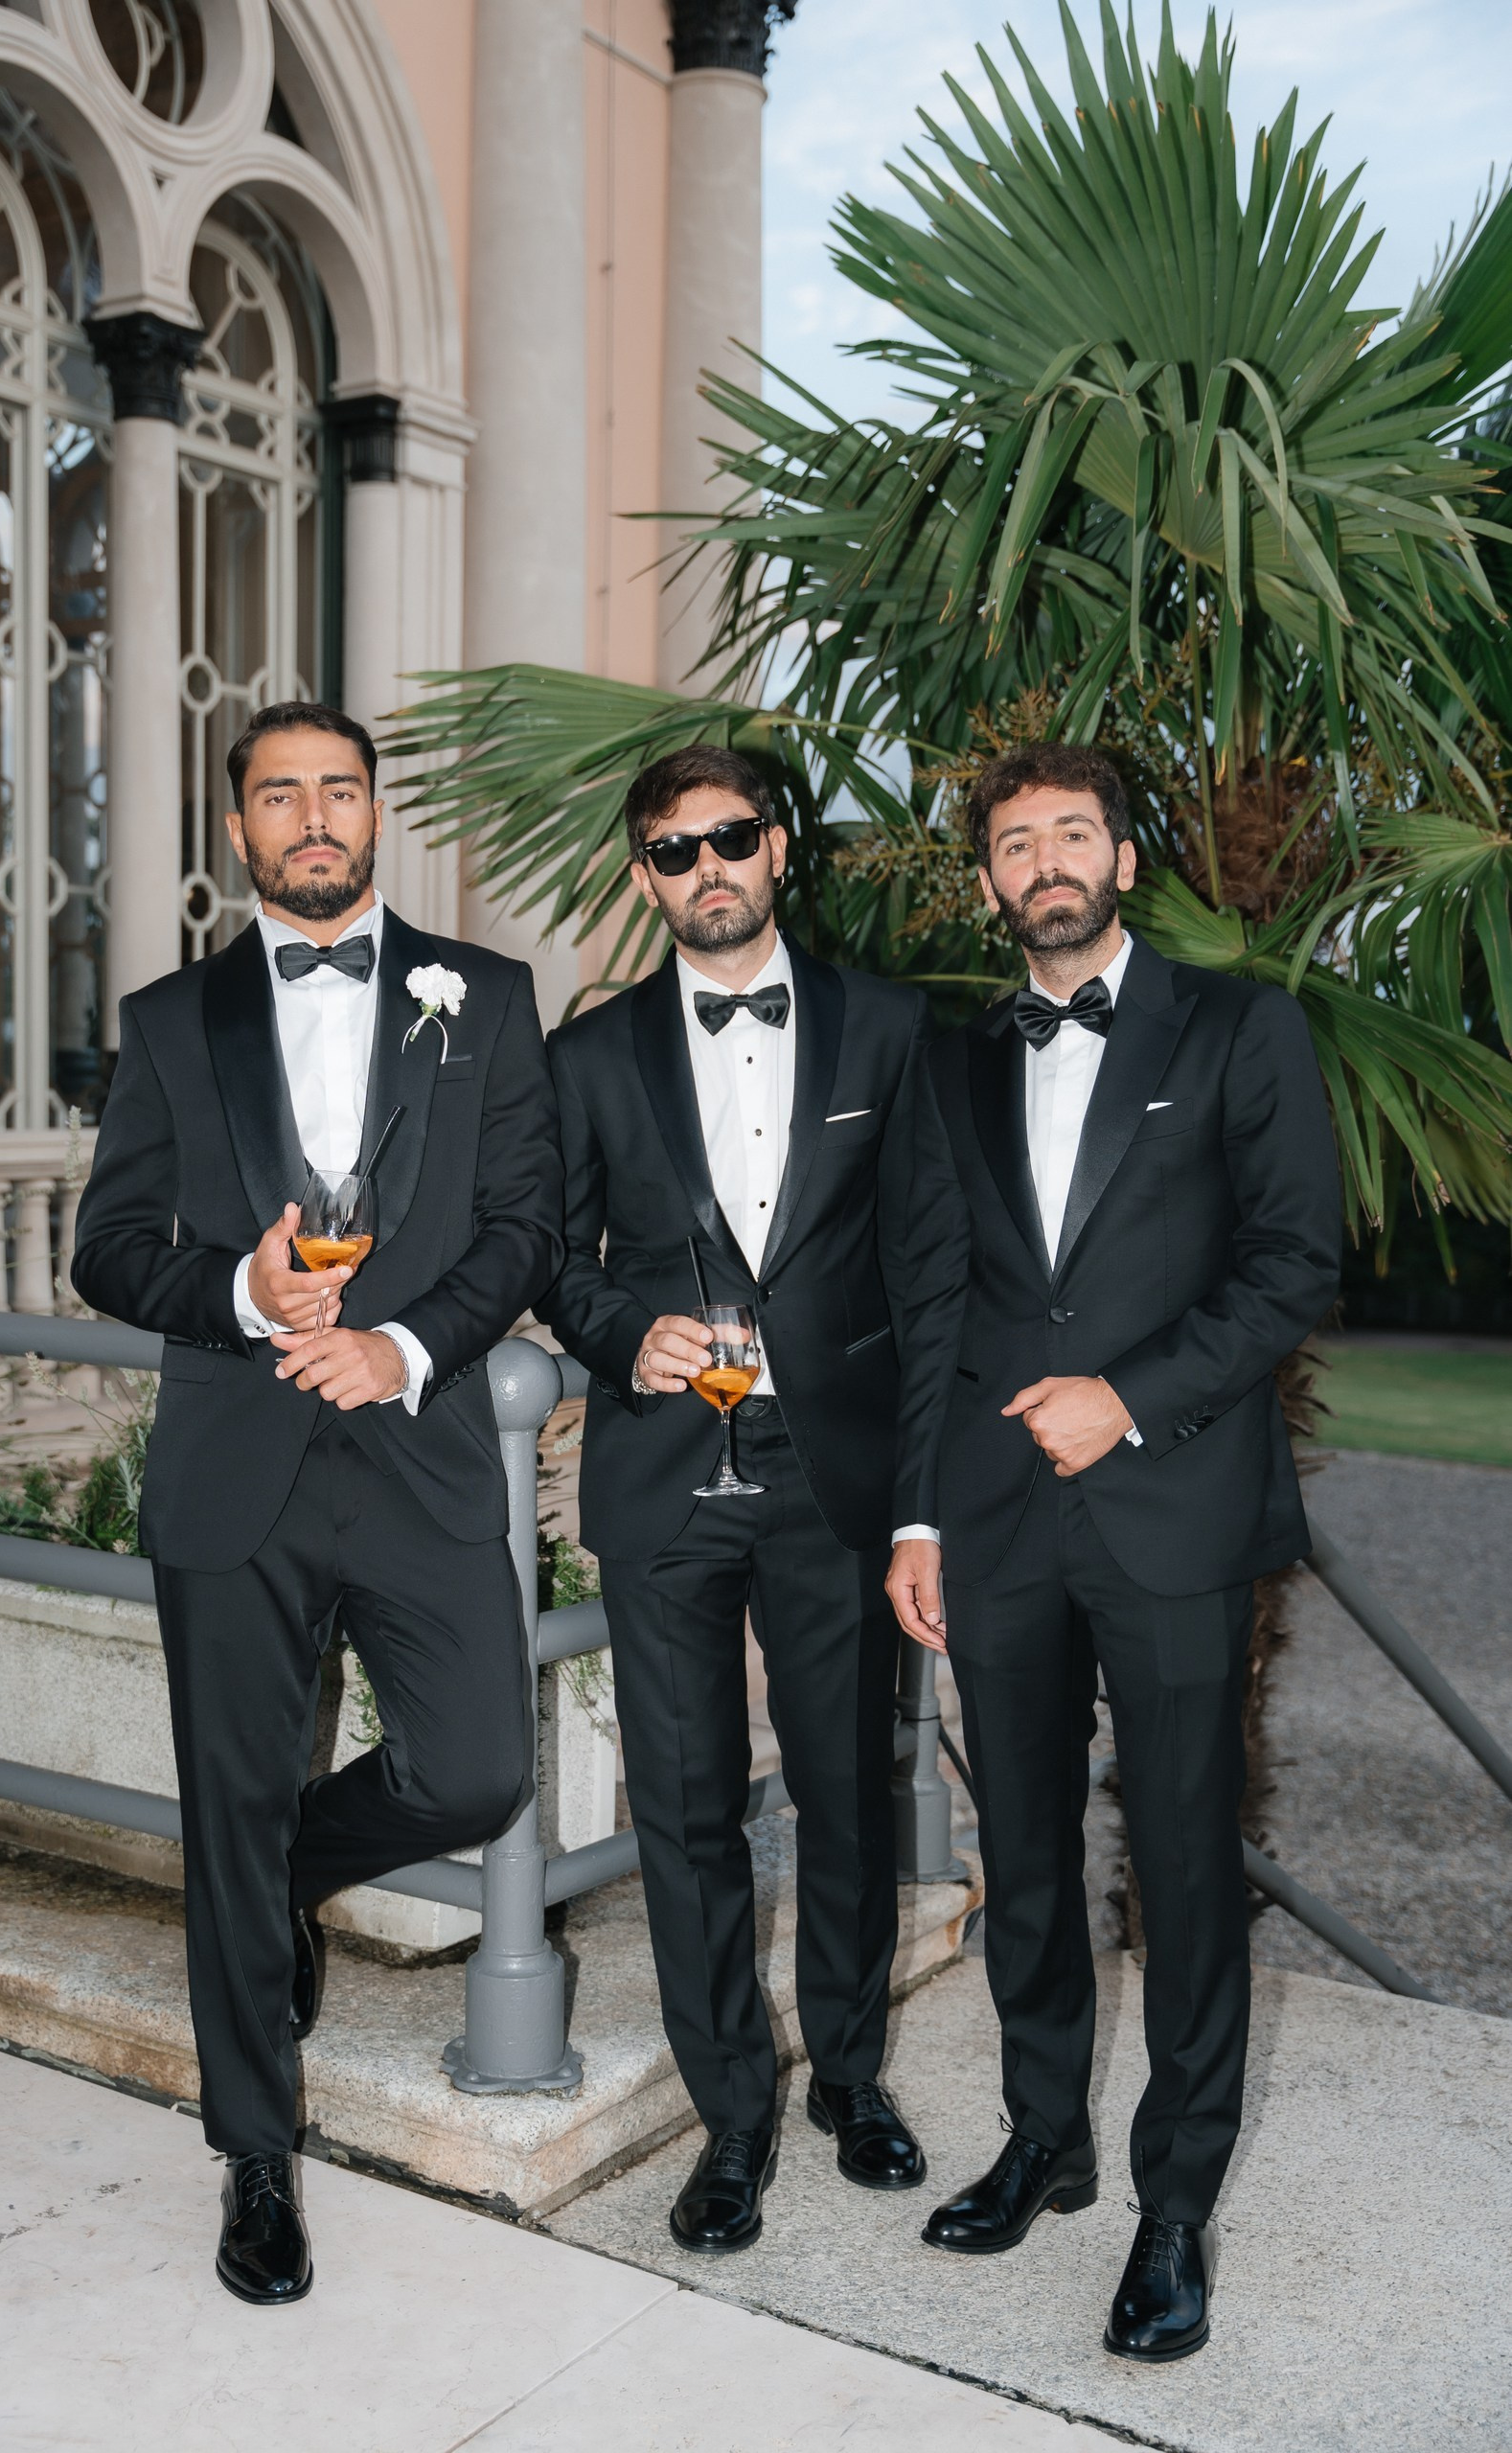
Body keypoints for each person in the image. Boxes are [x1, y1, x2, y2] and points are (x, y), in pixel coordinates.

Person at [71, 699, 561, 2305]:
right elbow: (108, 1249)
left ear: (373, 811)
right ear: (241, 831)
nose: (313, 817)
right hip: (237, 1468)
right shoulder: (168, 1019)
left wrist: (401, 1348)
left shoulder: (484, 996)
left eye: (338, 789)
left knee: (477, 1767)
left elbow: (524, 1226)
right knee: (226, 1794)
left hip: (418, 1452)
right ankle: (255, 2159)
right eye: (279, 795)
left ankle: (279, 1874)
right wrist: (241, 1289)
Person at [886, 742, 1340, 2362]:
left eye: (1072, 833)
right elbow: (934, 1304)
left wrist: (1127, 1400)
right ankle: (1046, 2139)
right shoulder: (954, 1060)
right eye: (1017, 844)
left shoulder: (1239, 1028)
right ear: (991, 881)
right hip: (997, 1521)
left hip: (1175, 1510)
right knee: (1023, 1849)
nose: (1047, 863)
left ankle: (1175, 2203)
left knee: (1187, 1864)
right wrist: (920, 1515)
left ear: (1125, 860)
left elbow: (1294, 1263)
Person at [537, 745, 930, 2256]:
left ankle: (851, 2077)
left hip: (834, 1473)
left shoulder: (890, 1030)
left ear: (780, 850)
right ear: (647, 878)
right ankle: (732, 2117)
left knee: (846, 1791)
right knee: (687, 1811)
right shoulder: (588, 1055)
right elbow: (549, 1253)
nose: (707, 866)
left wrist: (926, 1500)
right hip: (664, 1470)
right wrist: (616, 1331)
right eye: (673, 848)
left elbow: (931, 1267)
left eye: (732, 836)